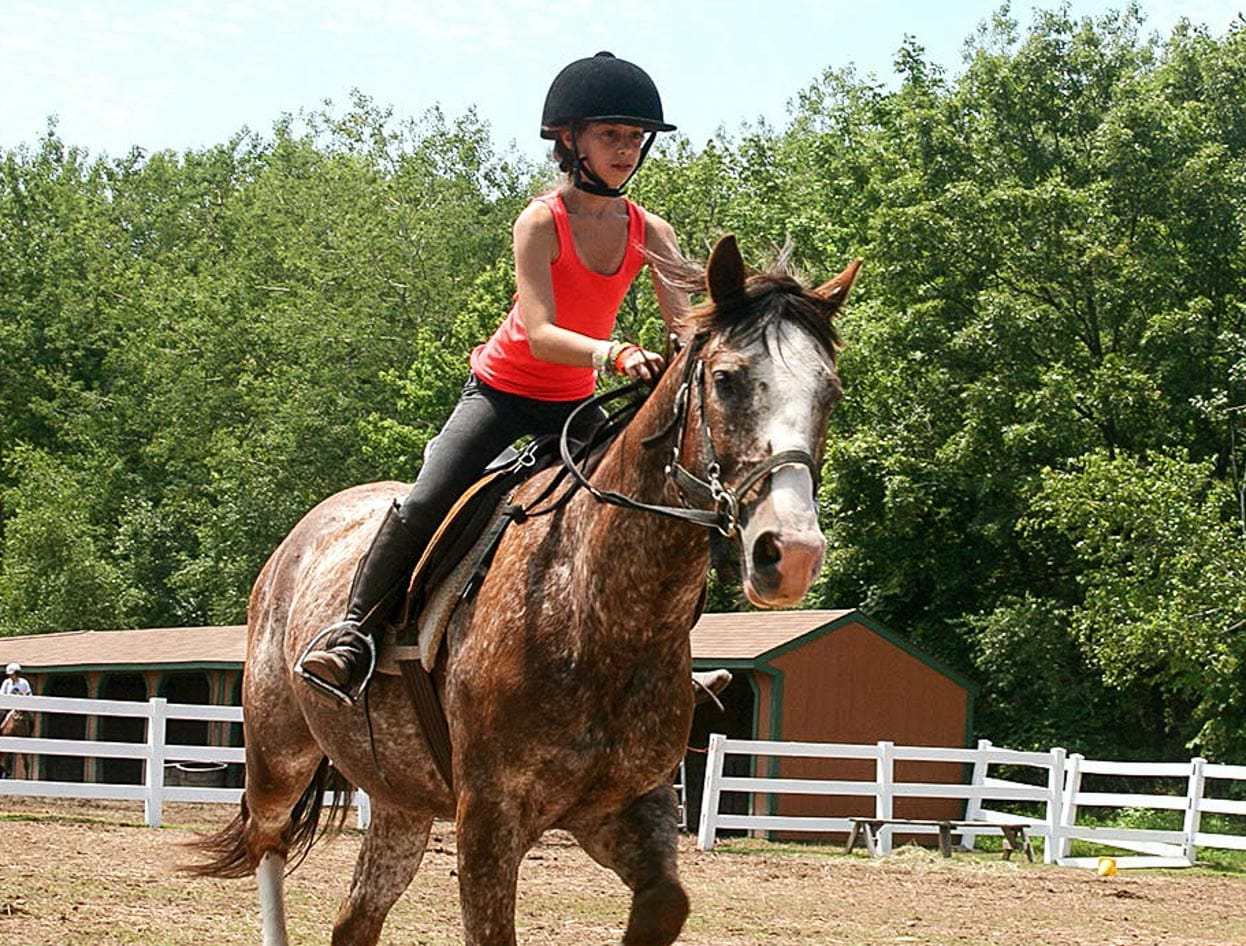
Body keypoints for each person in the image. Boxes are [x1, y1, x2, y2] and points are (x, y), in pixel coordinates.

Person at [298, 52, 731, 706]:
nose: (626, 150)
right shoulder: (540, 222)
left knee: (651, 509)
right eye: (611, 135)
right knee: (424, 499)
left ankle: (665, 658)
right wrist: (616, 354)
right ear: (569, 139)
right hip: (500, 397)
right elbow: (538, 333)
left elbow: (685, 328)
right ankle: (351, 633)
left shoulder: (653, 232)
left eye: (635, 139)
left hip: (574, 408)